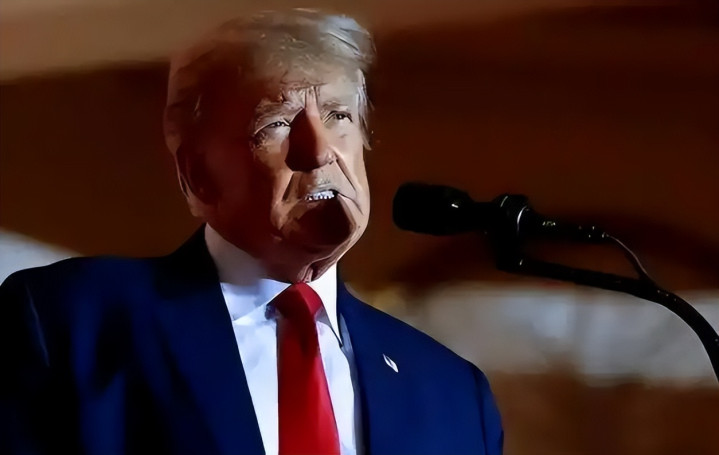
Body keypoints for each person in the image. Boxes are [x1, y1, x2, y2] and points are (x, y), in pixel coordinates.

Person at [0, 10, 503, 455]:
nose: (319, 151)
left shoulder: (455, 393)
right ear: (197, 174)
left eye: (338, 116)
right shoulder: (71, 323)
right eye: (276, 124)